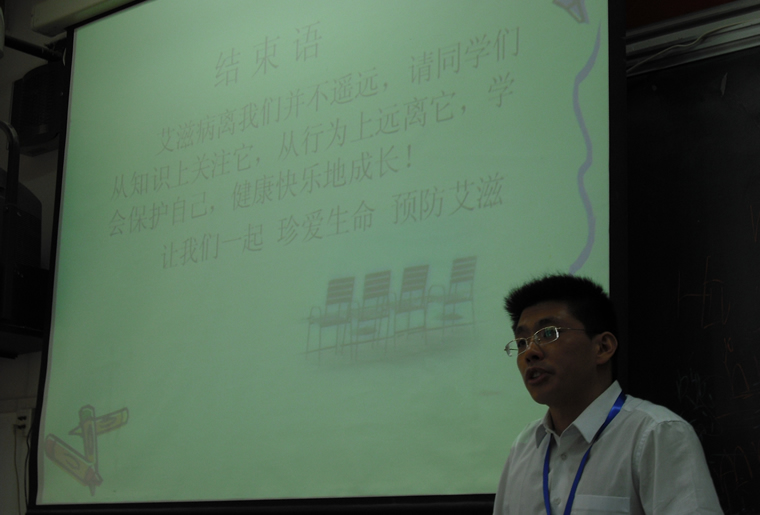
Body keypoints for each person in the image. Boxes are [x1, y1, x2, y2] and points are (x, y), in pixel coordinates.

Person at [493, 274, 722, 515]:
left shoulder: (656, 434)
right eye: (521, 342)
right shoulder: (524, 447)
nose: (530, 352)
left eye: (548, 333)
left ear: (603, 347)